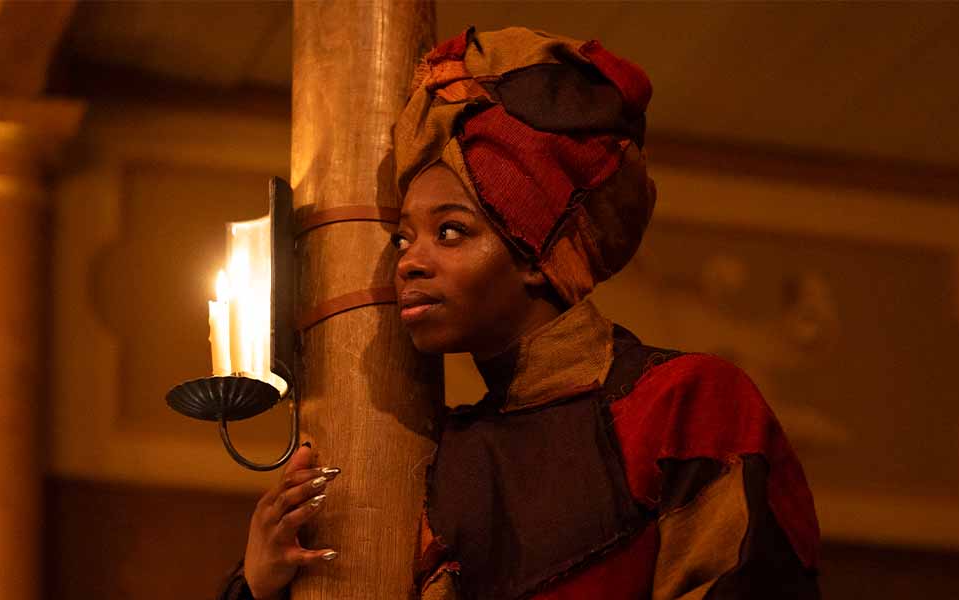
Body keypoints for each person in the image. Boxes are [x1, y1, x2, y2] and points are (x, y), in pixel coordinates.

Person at [222, 26, 820, 600]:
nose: (407, 263)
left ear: (536, 250)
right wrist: (259, 584)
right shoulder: (441, 455)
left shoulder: (684, 404)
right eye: (403, 239)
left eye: (450, 232)